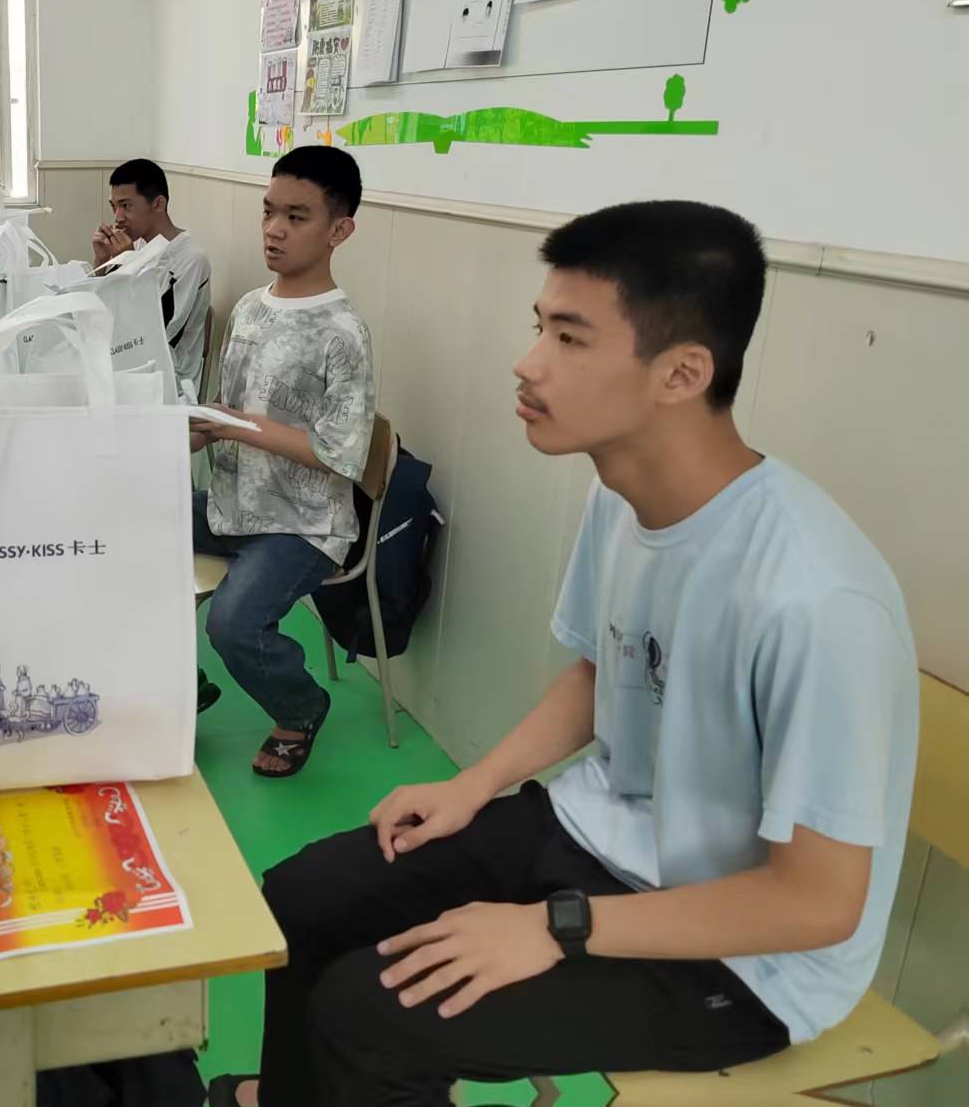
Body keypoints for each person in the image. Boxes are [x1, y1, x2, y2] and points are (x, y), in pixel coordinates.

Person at [211, 201, 918, 1107]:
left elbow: (816, 902)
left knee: (370, 1017)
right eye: (538, 325)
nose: (528, 360)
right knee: (303, 895)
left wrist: (557, 926)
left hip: (748, 961)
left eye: (571, 338)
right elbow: (599, 673)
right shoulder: (621, 490)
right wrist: (474, 784)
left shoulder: (815, 597)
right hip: (598, 836)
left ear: (682, 373)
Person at [189, 146, 375, 778]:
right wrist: (200, 430)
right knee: (125, 529)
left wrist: (241, 427)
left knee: (233, 625)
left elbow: (343, 454)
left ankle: (301, 709)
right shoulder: (249, 307)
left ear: (339, 230)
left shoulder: (343, 331)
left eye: (296, 217)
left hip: (302, 524)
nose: (274, 229)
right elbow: (232, 410)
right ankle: (179, 680)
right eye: (269, 212)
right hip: (233, 503)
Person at [91, 159, 213, 400]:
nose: (118, 217)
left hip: (169, 383)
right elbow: (101, 316)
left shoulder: (191, 260)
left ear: (158, 204)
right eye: (114, 206)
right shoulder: (137, 245)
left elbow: (153, 335)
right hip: (126, 367)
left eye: (126, 206)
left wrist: (128, 263)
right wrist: (101, 264)